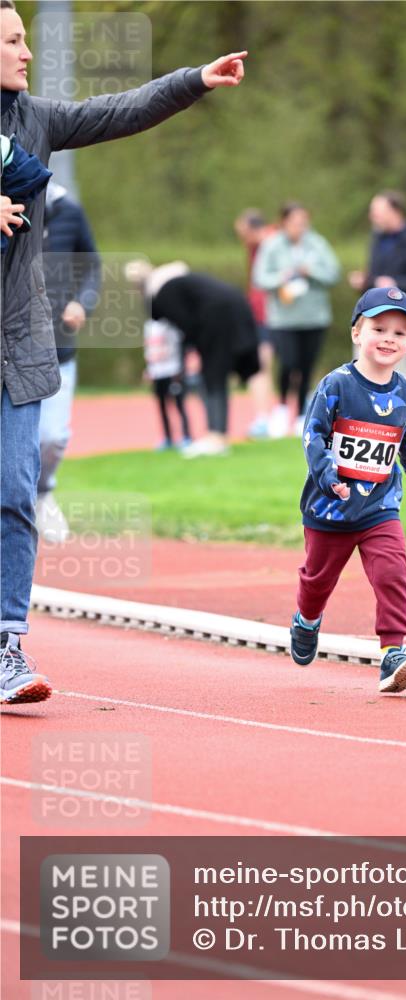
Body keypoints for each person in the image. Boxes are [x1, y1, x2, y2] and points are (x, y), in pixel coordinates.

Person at [0, 0, 247, 704]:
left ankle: (6, 647)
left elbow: (117, 110)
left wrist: (193, 80)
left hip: (19, 346)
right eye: (13, 41)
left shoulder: (36, 120)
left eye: (25, 39)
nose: (27, 52)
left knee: (14, 494)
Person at [289, 286, 406, 694]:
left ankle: (393, 652)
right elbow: (313, 435)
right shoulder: (336, 385)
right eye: (379, 329)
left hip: (379, 508)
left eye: (399, 333)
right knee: (317, 580)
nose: (388, 339)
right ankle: (307, 620)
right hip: (330, 508)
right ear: (357, 333)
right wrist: (327, 477)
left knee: (393, 572)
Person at [134, 264, 259, 457]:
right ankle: (216, 435)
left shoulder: (163, 296)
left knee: (213, 376)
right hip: (235, 307)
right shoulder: (178, 285)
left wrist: (190, 354)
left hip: (218, 317)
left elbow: (187, 325)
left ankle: (216, 437)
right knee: (215, 376)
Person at [35, 183, 101, 542]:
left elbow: (91, 265)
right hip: (10, 347)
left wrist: (82, 301)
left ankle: (43, 493)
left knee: (52, 436)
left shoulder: (69, 212)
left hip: (58, 348)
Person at [252, 202, 340, 438]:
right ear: (284, 222)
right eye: (294, 223)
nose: (299, 227)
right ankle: (281, 407)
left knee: (306, 365)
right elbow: (259, 277)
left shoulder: (317, 243)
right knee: (288, 362)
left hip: (314, 317)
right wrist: (281, 277)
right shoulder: (272, 245)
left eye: (303, 223)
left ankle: (302, 413)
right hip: (283, 319)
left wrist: (310, 271)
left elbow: (333, 273)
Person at [349, 190, 406, 379]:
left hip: (399, 316)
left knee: (400, 376)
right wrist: (365, 281)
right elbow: (375, 277)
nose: (372, 216)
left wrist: (395, 284)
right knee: (362, 374)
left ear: (395, 211)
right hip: (372, 317)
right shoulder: (376, 238)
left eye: (377, 212)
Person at [234, 208, 276, 438]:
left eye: (243, 233)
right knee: (261, 365)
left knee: (271, 365)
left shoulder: (274, 243)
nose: (242, 239)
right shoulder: (253, 248)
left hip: (275, 314)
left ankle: (272, 417)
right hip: (259, 315)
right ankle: (263, 417)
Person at [143, 317, 192, 451]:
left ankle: (186, 436)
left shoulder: (171, 324)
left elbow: (179, 346)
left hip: (173, 371)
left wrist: (181, 369)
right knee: (162, 406)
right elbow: (149, 348)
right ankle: (168, 438)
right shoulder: (149, 326)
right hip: (157, 372)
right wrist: (149, 369)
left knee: (179, 405)